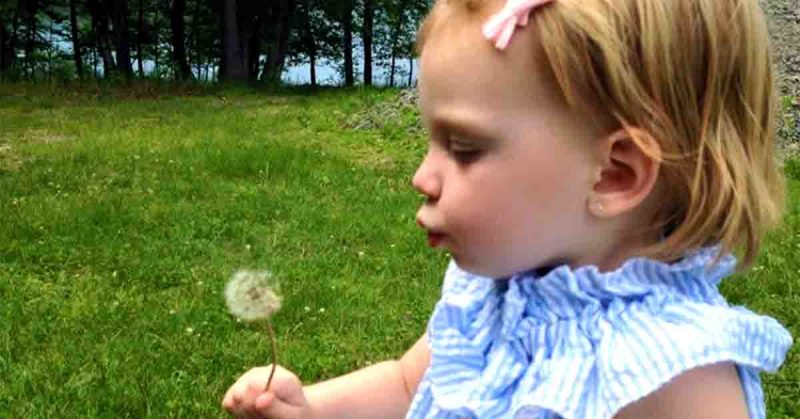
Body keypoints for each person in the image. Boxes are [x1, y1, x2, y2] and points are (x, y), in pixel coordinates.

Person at [221, 0, 793, 417]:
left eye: (464, 149)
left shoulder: (678, 373)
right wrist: (312, 409)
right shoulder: (492, 293)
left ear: (616, 175)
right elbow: (406, 386)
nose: (422, 176)